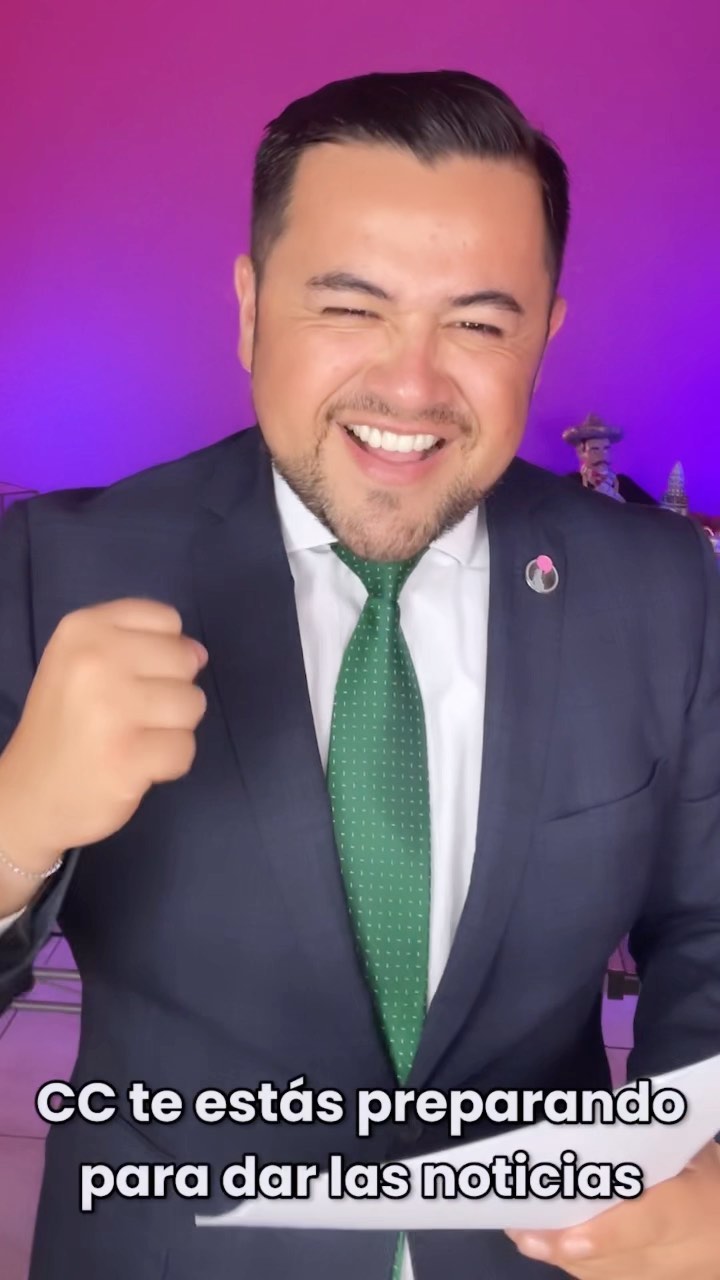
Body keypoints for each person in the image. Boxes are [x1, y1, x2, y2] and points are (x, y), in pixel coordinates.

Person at [0, 69, 718, 1280]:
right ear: (250, 309)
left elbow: (708, 926)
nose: (413, 384)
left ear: (545, 334)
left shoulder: (663, 586)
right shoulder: (50, 567)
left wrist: (700, 1154)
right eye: (351, 306)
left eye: (479, 324)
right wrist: (13, 827)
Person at [562, 414, 657, 504]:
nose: (602, 455)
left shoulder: (623, 483)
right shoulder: (572, 483)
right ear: (581, 453)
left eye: (606, 449)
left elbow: (654, 510)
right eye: (595, 449)